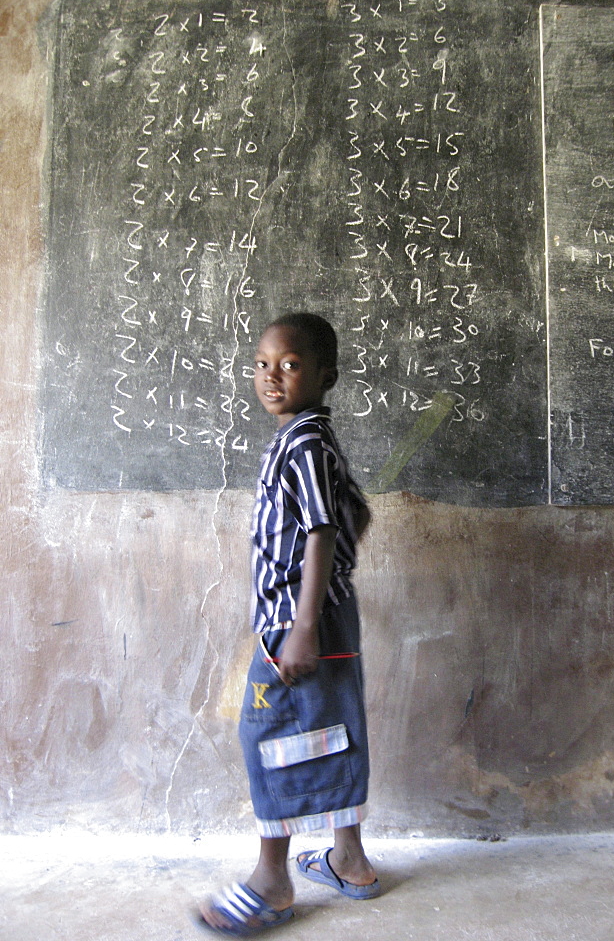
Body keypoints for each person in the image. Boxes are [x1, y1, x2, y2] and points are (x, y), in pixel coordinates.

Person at [198, 312, 379, 937]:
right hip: (324, 616)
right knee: (334, 727)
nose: (272, 376)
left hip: (299, 622)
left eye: (291, 365)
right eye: (262, 364)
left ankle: (273, 882)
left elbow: (326, 531)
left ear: (325, 376)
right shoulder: (313, 441)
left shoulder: (303, 443)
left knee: (264, 730)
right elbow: (358, 514)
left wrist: (303, 624)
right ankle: (350, 861)